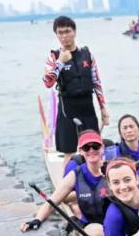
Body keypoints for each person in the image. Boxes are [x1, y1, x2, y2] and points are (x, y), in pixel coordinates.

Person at [20, 130, 108, 236]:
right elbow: (53, 202)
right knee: (98, 233)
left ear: (102, 148)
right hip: (92, 226)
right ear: (81, 151)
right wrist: (37, 219)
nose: (91, 150)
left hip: (114, 223)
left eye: (95, 146)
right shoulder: (75, 175)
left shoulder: (112, 170)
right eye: (86, 148)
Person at [43, 16, 109, 159]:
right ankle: (68, 173)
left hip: (87, 108)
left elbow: (96, 83)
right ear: (56, 35)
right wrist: (60, 62)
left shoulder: (87, 54)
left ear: (74, 32)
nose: (64, 36)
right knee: (70, 153)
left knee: (93, 149)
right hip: (67, 110)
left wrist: (103, 108)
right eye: (60, 33)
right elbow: (48, 82)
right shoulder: (54, 57)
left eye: (67, 31)